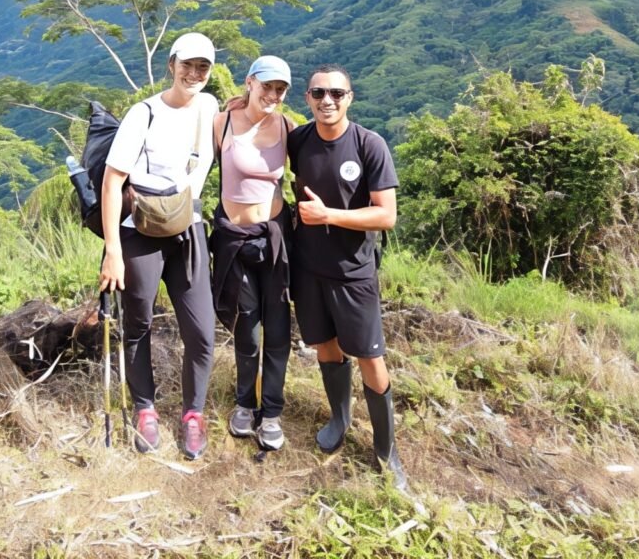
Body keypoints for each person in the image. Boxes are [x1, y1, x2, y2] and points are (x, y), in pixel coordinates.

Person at [98, 32, 219, 460]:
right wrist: (113, 249)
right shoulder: (143, 113)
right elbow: (113, 183)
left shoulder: (209, 107)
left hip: (188, 231)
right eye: (187, 65)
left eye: (202, 67)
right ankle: (145, 408)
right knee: (139, 324)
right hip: (140, 232)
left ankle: (193, 414)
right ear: (171, 64)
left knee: (202, 332)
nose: (193, 73)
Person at [288, 64, 408, 490]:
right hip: (308, 268)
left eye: (337, 93)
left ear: (349, 98)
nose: (327, 101)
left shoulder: (368, 145)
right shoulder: (298, 139)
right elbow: (261, 127)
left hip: (354, 273)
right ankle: (339, 418)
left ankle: (386, 450)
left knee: (370, 357)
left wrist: (329, 216)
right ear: (307, 98)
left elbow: (386, 215)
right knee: (325, 346)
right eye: (319, 93)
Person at [209, 56, 294, 451]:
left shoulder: (287, 128)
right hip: (235, 237)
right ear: (249, 83)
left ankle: (272, 410)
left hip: (275, 235)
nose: (273, 95)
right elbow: (196, 168)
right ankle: (245, 401)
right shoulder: (222, 123)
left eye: (280, 89)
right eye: (267, 86)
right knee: (248, 327)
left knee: (277, 328)